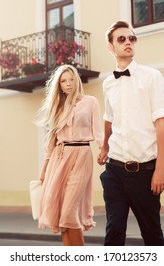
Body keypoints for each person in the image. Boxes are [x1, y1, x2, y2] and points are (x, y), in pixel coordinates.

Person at [97, 20, 164, 246]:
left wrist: (160, 169)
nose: (128, 42)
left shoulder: (152, 77)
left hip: (145, 173)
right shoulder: (108, 83)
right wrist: (104, 146)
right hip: (115, 170)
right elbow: (109, 118)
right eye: (121, 39)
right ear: (111, 47)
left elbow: (161, 124)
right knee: (114, 233)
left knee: (152, 235)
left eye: (131, 38)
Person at [37, 64, 103, 246]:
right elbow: (52, 140)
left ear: (77, 81)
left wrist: (104, 150)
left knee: (68, 212)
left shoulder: (90, 102)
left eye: (71, 79)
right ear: (58, 85)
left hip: (81, 154)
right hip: (59, 157)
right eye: (63, 81)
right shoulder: (58, 107)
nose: (68, 84)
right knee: (59, 214)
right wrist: (44, 169)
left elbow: (98, 131)